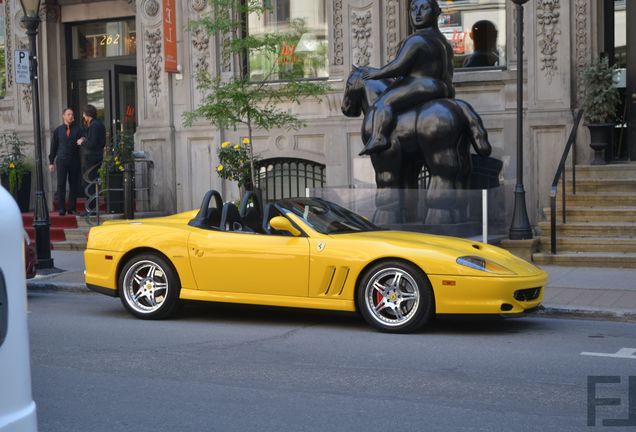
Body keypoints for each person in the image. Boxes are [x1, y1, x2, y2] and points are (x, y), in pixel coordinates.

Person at [360, 0, 455, 155]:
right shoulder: (443, 41)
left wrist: (377, 73)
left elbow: (399, 66)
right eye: (413, 9)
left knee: (383, 102)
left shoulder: (416, 39)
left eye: (423, 8)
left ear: (437, 13)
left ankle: (379, 137)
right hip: (445, 87)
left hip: (422, 83)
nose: (417, 14)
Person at [48, 108, 82, 216]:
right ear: (63, 116)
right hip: (61, 160)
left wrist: (83, 139)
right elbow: (53, 146)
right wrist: (51, 162)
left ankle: (71, 208)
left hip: (74, 160)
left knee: (73, 185)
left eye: (72, 114)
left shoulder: (78, 130)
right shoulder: (58, 130)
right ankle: (62, 208)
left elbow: (86, 138)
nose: (71, 116)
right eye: (68, 114)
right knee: (61, 184)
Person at [77, 104, 106, 213]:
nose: (83, 117)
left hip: (92, 158)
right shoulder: (98, 124)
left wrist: (82, 141)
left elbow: (92, 143)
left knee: (89, 183)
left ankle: (91, 209)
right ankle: (91, 208)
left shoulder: (94, 125)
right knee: (91, 182)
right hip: (95, 156)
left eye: (84, 114)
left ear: (87, 114)